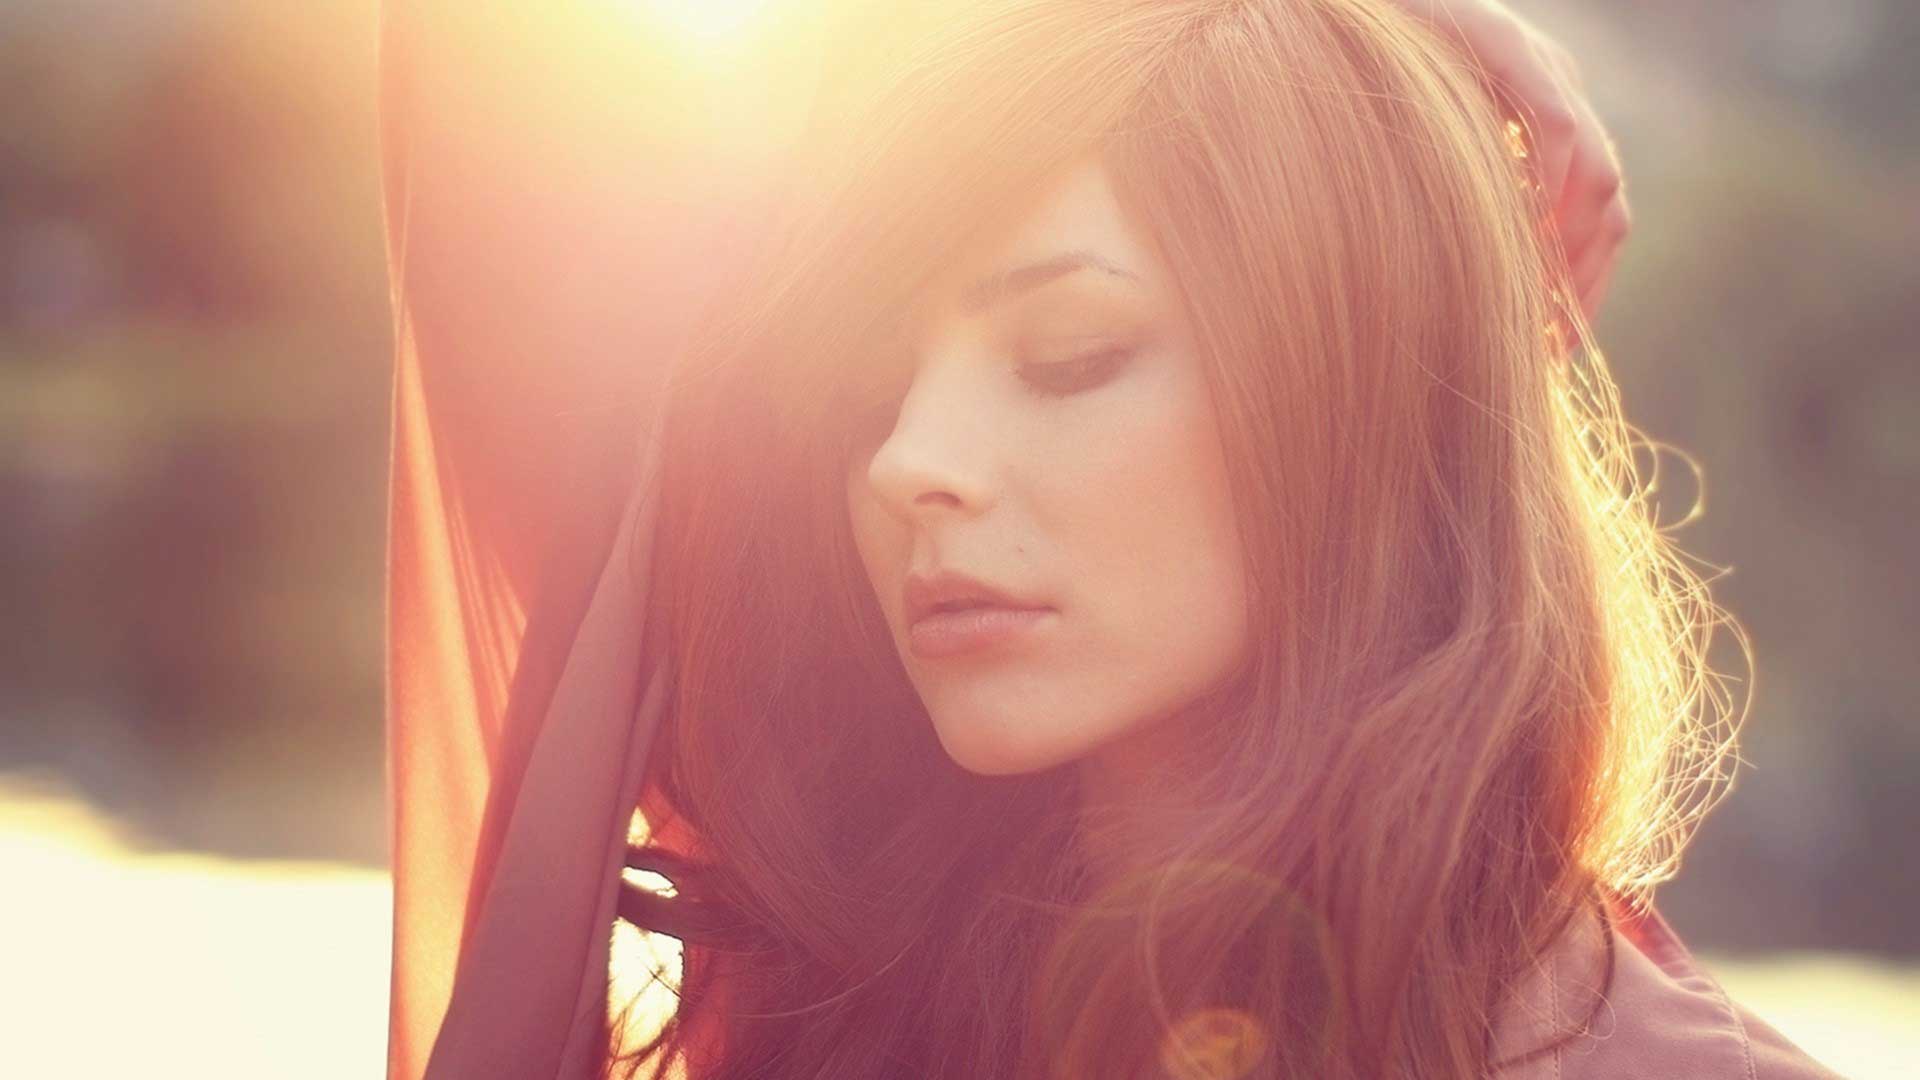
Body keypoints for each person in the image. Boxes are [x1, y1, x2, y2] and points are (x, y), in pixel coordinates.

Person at [378, 2, 1841, 1078]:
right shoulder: (821, 985)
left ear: (1362, 380)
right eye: (867, 399)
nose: (907, 464)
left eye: (1069, 356)